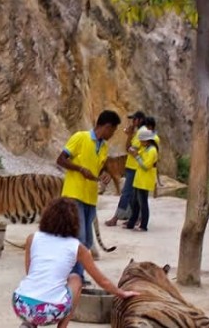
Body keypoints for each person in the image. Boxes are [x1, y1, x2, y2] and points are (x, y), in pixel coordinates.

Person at [12, 198, 139, 328]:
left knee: (38, 282)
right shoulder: (77, 247)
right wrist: (121, 293)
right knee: (76, 279)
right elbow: (102, 281)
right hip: (50, 311)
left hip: (20, 304)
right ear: (74, 222)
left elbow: (30, 272)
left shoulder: (32, 238)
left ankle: (29, 323)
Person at [56, 110, 121, 284]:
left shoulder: (104, 147)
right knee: (80, 238)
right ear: (106, 126)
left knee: (87, 240)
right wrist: (79, 169)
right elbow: (61, 160)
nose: (112, 135)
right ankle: (77, 277)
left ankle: (74, 275)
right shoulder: (81, 137)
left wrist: (104, 174)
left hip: (90, 198)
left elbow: (97, 169)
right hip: (74, 194)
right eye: (113, 131)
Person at [105, 110, 146, 227]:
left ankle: (116, 218)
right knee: (133, 194)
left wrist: (129, 136)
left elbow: (128, 148)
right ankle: (135, 218)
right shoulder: (139, 133)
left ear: (139, 120)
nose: (132, 122)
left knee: (126, 193)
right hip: (133, 167)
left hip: (135, 168)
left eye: (134, 119)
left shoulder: (141, 133)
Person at [124, 129, 158, 232]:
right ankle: (131, 223)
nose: (141, 143)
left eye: (142, 141)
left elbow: (146, 166)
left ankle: (143, 226)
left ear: (147, 140)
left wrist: (136, 156)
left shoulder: (152, 150)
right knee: (135, 203)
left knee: (143, 204)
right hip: (139, 179)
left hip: (145, 180)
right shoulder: (145, 148)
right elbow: (134, 151)